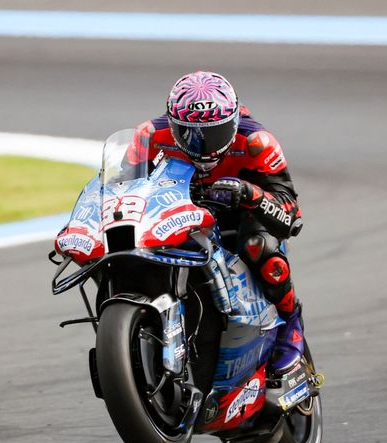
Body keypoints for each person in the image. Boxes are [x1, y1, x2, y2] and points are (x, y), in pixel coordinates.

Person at [126, 71, 306, 377]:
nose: (204, 145)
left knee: (261, 247)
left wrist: (249, 194)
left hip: (239, 217)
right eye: (189, 133)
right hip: (175, 214)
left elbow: (290, 215)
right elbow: (124, 189)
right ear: (172, 123)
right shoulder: (149, 136)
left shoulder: (257, 142)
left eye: (216, 133)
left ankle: (291, 321)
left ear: (233, 122)